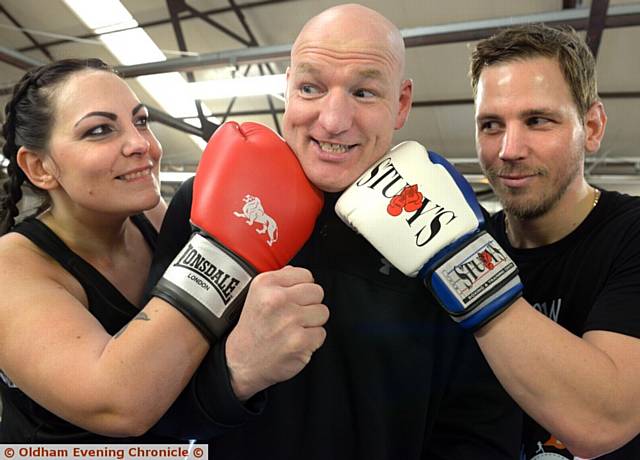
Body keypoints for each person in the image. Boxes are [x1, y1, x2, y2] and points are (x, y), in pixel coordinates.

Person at [145, 4, 522, 459]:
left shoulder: (448, 221)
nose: (332, 120)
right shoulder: (202, 198)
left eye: (364, 93)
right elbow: (150, 410)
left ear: (400, 103)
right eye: (310, 88)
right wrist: (235, 372)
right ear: (287, 90)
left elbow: (484, 422)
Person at [0, 58, 320, 442]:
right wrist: (226, 255)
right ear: (38, 167)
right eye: (100, 130)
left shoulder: (149, 215)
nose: (141, 145)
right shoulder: (12, 269)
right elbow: (118, 403)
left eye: (141, 120)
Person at [468, 24, 640, 458]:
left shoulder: (632, 236)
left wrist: (457, 269)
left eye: (537, 120)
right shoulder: (473, 243)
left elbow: (605, 417)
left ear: (592, 126)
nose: (508, 148)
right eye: (491, 124)